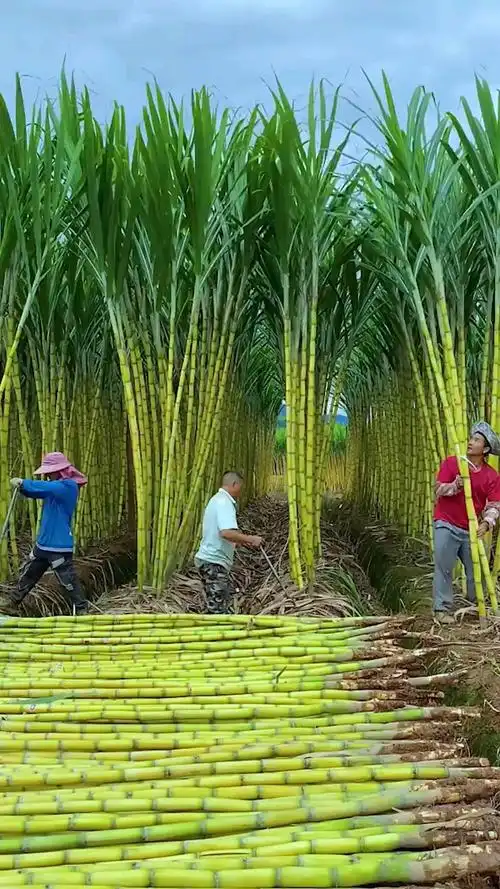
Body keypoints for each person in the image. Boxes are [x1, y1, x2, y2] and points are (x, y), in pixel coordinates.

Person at [433, 421, 500, 624]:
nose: (470, 442)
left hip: (471, 528)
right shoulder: (453, 463)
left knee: (476, 571)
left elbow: (495, 504)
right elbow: (437, 490)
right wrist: (454, 486)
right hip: (446, 522)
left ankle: (474, 606)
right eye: (471, 438)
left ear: (486, 448)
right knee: (444, 566)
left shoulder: (491, 475)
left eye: (476, 440)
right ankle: (441, 610)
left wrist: (487, 523)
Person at [9, 452, 89, 615]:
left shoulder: (68, 487)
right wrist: (24, 489)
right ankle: (12, 603)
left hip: (59, 546)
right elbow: (37, 491)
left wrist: (23, 482)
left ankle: (82, 610)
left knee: (68, 581)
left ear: (60, 470)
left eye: (49, 471)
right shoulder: (53, 488)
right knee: (29, 576)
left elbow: (44, 487)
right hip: (43, 544)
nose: (46, 475)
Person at [195, 471, 263, 614]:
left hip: (211, 562)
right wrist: (251, 538)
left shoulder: (217, 500)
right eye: (240, 487)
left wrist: (241, 541)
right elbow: (226, 532)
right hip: (213, 563)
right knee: (218, 611)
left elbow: (224, 534)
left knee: (218, 603)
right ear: (234, 484)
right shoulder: (224, 502)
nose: (241, 491)